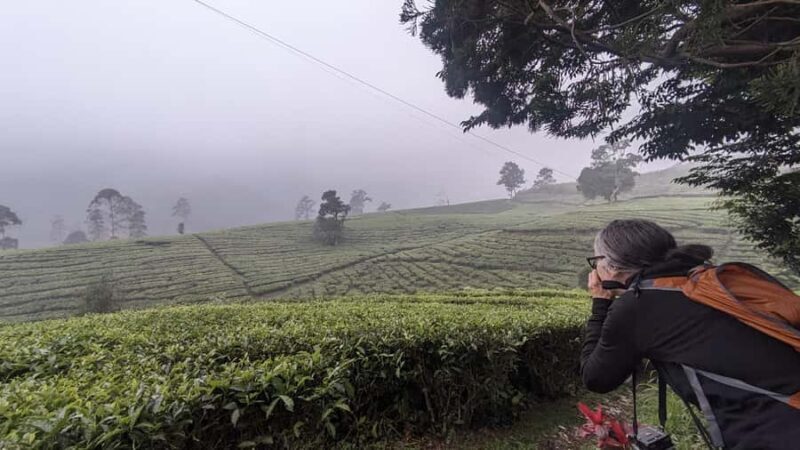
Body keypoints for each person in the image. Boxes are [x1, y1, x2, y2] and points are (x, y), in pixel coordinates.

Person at [581, 219, 800, 450]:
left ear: (612, 266)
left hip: (774, 432)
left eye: (597, 261)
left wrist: (600, 302)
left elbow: (596, 377)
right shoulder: (704, 281)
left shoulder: (638, 305)